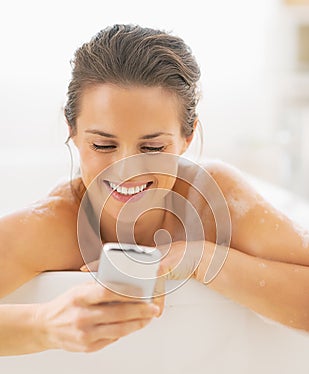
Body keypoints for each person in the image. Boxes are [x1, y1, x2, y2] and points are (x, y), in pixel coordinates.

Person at [0, 24, 308, 356]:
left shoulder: (215, 202)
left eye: (152, 149)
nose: (126, 168)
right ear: (72, 132)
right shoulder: (52, 225)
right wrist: (43, 325)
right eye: (103, 145)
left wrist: (202, 258)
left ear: (186, 139)